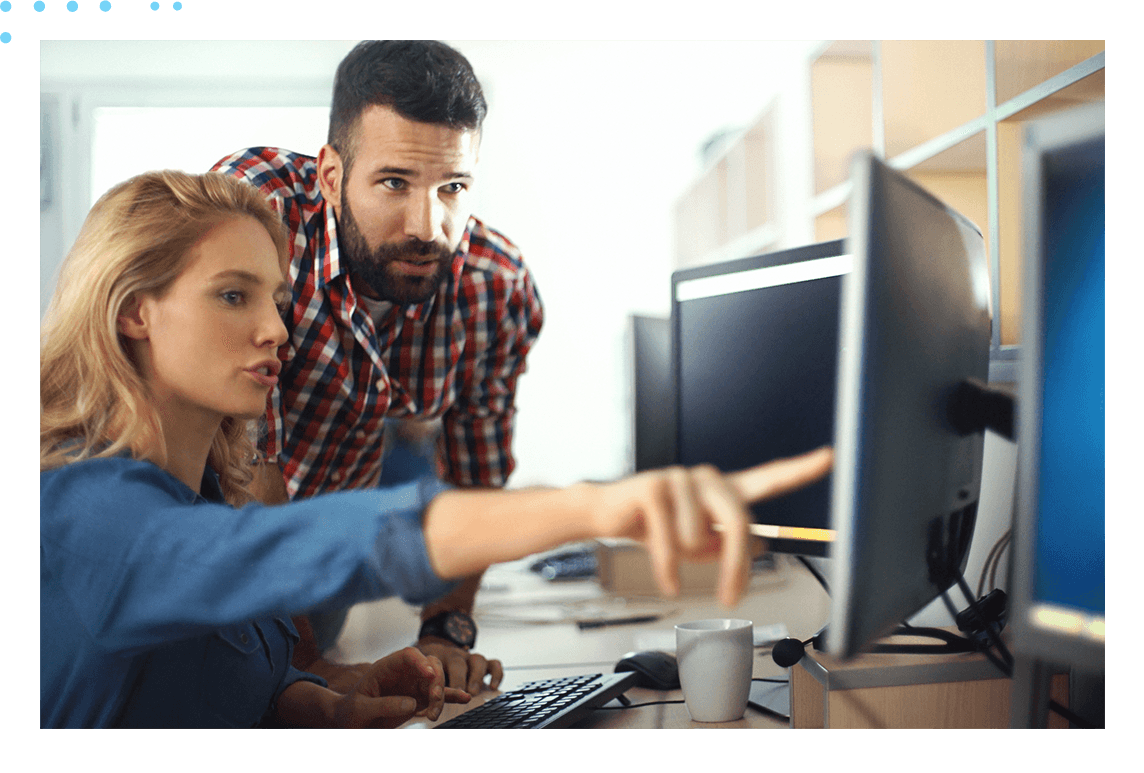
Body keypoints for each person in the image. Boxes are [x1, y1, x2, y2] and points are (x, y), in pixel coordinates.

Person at [39, 169, 834, 728]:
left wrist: (319, 700)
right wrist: (595, 504)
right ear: (134, 311)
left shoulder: (216, 492)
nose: (277, 328)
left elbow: (219, 676)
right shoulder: (79, 509)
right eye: (232, 294)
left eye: (278, 299)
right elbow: (285, 550)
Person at [210, 40, 541, 694]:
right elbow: (245, 465)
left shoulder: (493, 286)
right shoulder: (257, 215)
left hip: (321, 566)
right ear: (331, 175)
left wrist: (447, 630)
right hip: (213, 537)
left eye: (452, 187)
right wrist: (315, 668)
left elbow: (474, 480)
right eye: (394, 182)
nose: (426, 225)